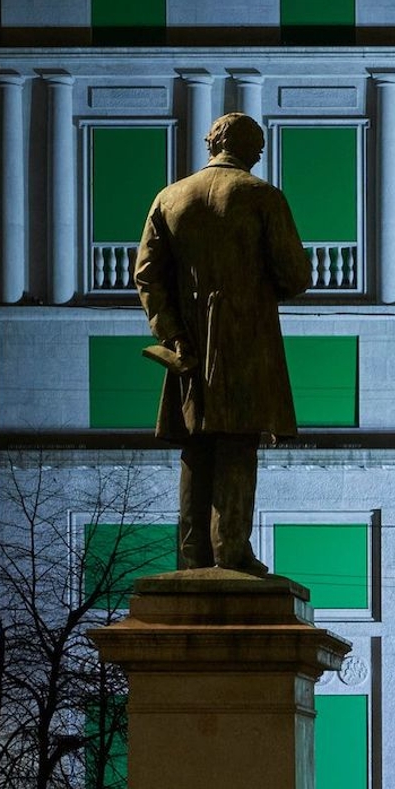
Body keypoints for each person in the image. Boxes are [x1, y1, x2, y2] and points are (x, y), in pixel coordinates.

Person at [133, 111, 313, 571]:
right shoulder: (261, 197)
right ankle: (230, 551)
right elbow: (294, 276)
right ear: (252, 150)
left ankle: (193, 554)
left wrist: (172, 333)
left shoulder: (169, 198)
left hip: (187, 342)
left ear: (212, 144)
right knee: (236, 444)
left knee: (196, 447)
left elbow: (147, 276)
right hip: (245, 340)